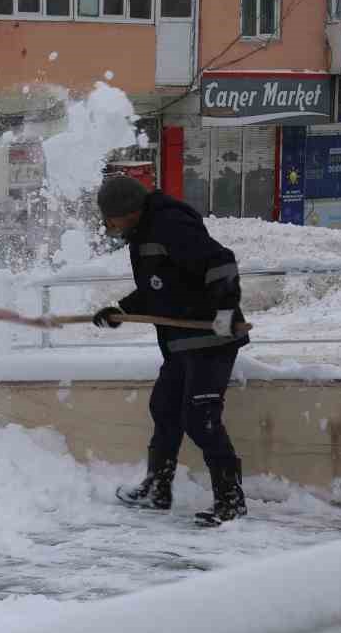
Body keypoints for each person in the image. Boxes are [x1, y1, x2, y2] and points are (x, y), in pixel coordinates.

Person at [91, 175, 249, 526]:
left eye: (110, 218)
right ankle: (157, 488)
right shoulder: (142, 234)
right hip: (179, 341)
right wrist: (122, 311)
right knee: (164, 408)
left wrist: (224, 311)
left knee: (200, 419)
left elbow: (221, 263)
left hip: (211, 338)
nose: (108, 225)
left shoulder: (169, 224)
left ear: (128, 212)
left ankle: (230, 500)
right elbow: (158, 288)